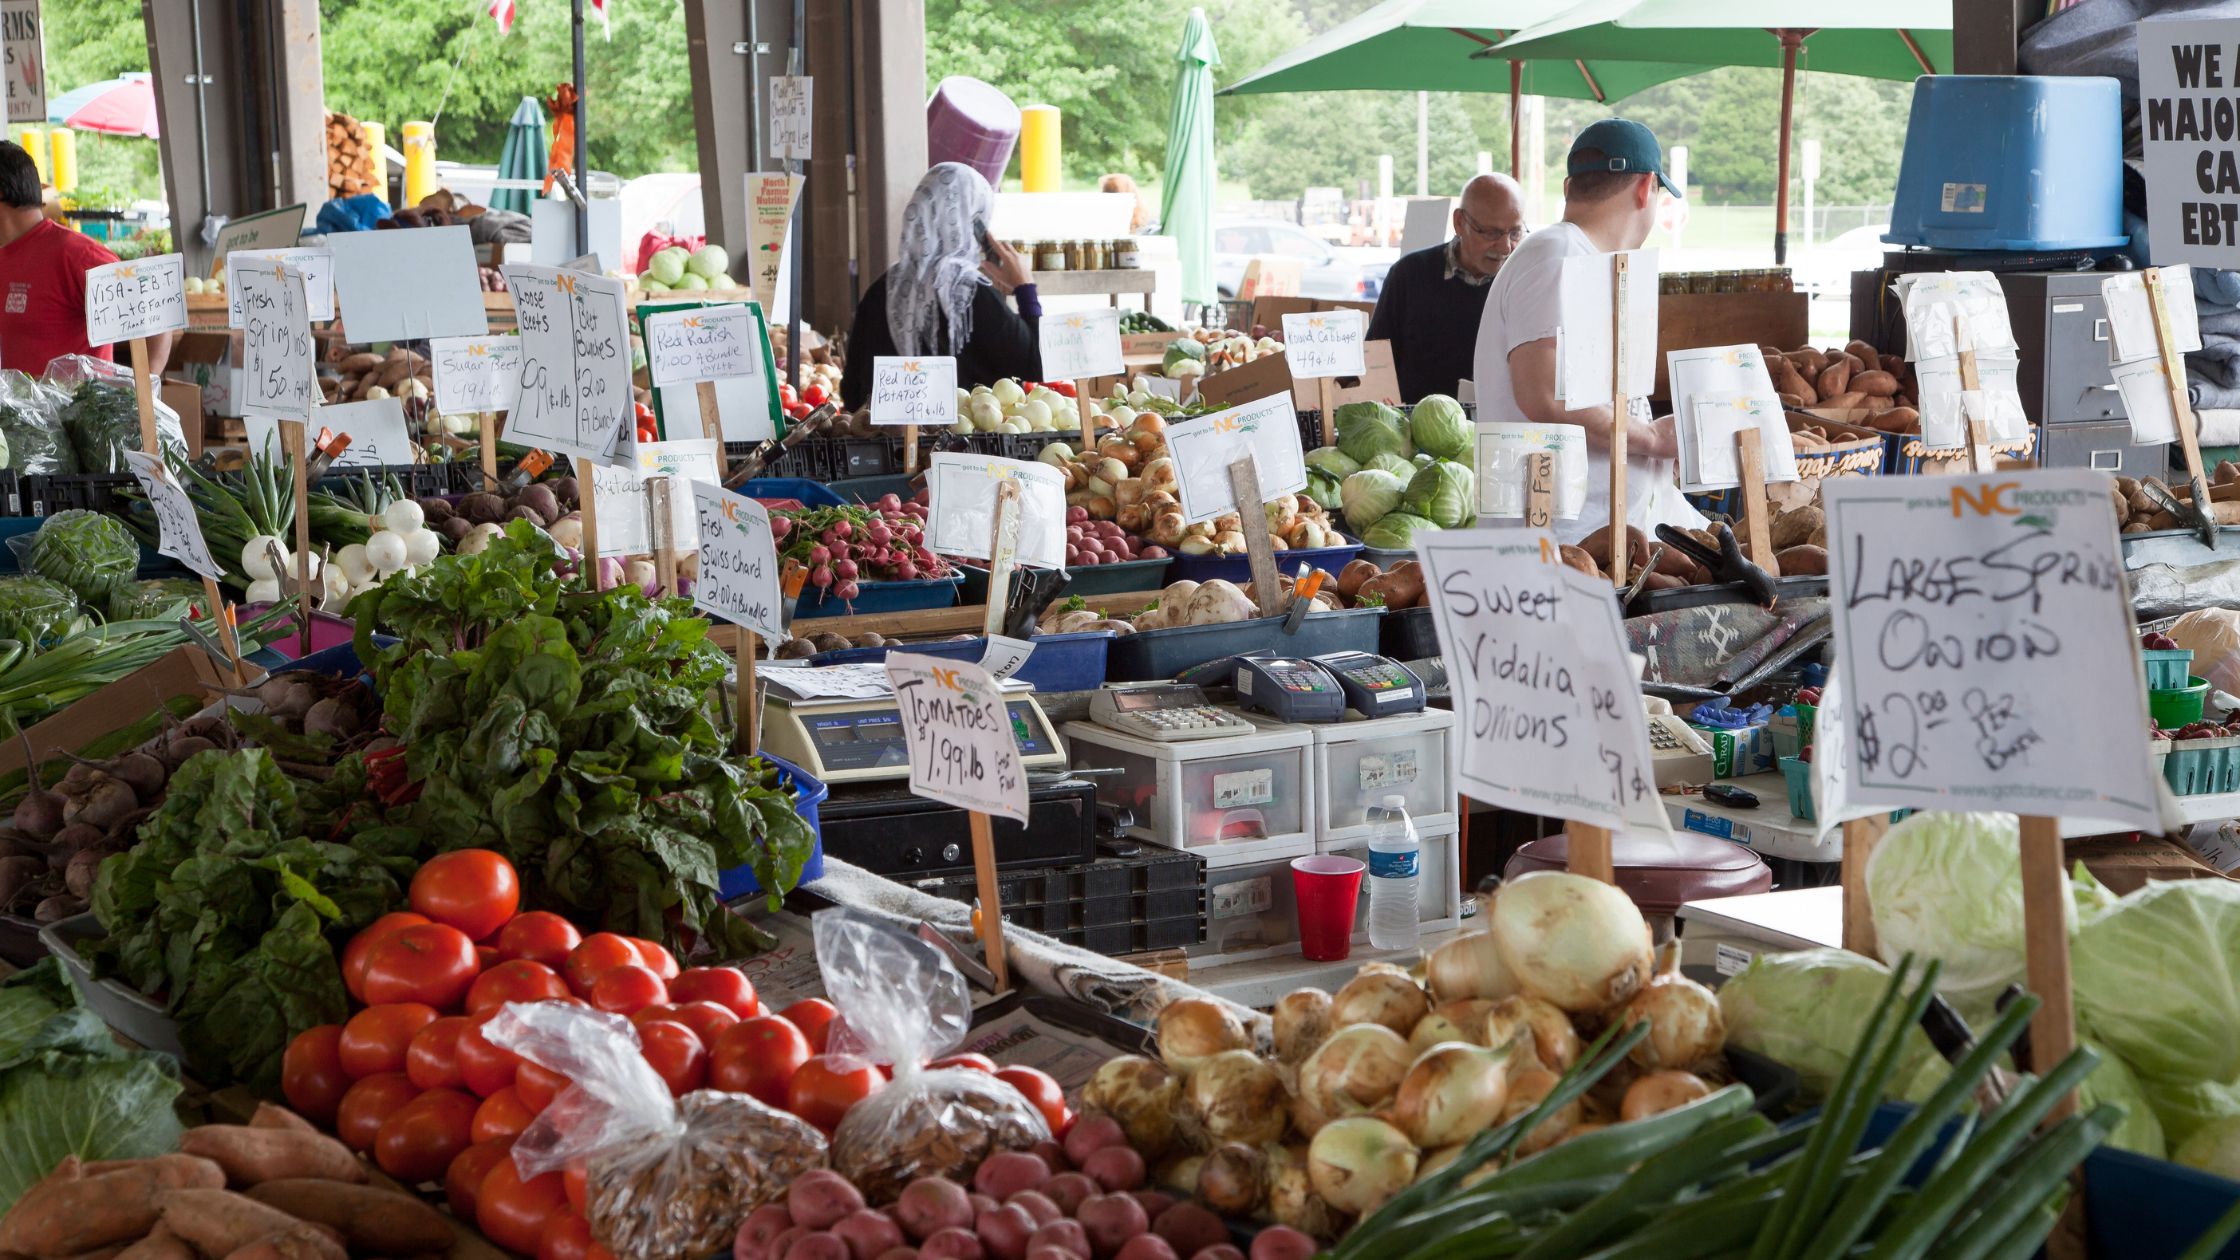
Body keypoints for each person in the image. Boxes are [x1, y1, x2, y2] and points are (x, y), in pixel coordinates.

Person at [1472, 119, 1697, 545]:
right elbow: (1544, 393)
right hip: (1555, 544)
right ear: (1646, 188)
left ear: (1568, 187)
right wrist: (1650, 438)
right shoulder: (1556, 255)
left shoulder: (1578, 257)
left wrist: (1653, 450)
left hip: (1586, 538)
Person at [842, 163, 1042, 409]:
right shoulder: (970, 293)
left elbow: (851, 392)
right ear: (974, 223)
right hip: (963, 444)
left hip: (886, 444)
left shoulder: (881, 290)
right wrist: (1025, 288)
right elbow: (1036, 363)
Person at [0, 141, 172, 378]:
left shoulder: (76, 255)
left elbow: (157, 315)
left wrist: (140, 395)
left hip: (77, 413)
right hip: (19, 413)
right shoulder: (5, 256)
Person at [1367, 173, 1524, 402]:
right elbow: (1376, 359)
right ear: (1460, 222)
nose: (1505, 247)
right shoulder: (1409, 275)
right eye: (1492, 233)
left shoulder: (1522, 282)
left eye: (1515, 233)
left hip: (1496, 428)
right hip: (1415, 428)